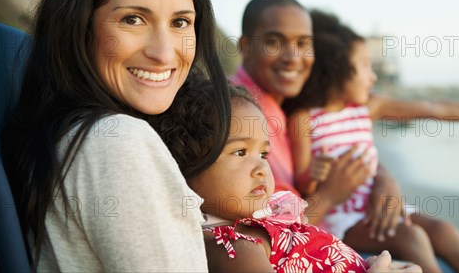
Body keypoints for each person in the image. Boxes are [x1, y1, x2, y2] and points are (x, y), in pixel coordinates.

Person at [1, 0, 231, 271]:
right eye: (133, 20)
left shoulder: (66, 133)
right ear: (79, 25)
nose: (165, 53)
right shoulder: (118, 142)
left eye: (180, 22)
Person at [284, 10, 459, 273]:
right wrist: (314, 172)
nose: (373, 76)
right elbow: (303, 183)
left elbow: (435, 108)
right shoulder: (304, 119)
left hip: (379, 207)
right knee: (411, 238)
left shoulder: (368, 107)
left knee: (443, 230)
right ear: (336, 70)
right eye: (365, 65)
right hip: (343, 219)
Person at [152, 77, 422, 273]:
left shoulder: (262, 218)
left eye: (263, 154)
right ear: (186, 166)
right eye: (240, 152)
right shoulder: (233, 249)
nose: (261, 168)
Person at [232, 0, 373, 227]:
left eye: (303, 43)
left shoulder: (283, 104)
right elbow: (271, 230)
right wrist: (329, 195)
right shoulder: (240, 111)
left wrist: (383, 182)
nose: (293, 57)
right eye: (274, 42)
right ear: (246, 47)